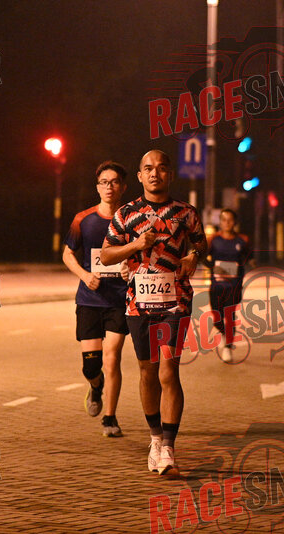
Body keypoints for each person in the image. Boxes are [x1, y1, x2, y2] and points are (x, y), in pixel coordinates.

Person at [101, 149, 206, 476]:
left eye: (161, 168)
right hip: (138, 305)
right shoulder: (126, 214)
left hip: (176, 302)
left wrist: (193, 256)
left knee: (168, 371)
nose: (155, 173)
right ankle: (156, 440)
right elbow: (106, 255)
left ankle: (169, 449)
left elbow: (201, 244)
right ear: (140, 175)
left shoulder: (186, 212)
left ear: (170, 174)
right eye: (148, 168)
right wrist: (135, 245)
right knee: (147, 372)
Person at [61, 161, 129, 437]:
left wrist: (130, 268)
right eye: (104, 182)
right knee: (91, 366)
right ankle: (95, 385)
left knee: (113, 358)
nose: (109, 187)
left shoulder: (131, 219)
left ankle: (110, 418)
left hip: (119, 300)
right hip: (89, 299)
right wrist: (84, 275)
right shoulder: (83, 219)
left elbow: (141, 253)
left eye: (114, 182)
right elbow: (67, 254)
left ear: (123, 187)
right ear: (97, 187)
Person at [205, 208, 253, 362]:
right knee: (217, 318)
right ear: (220, 222)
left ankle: (228, 347)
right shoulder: (213, 239)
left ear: (235, 222)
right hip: (217, 286)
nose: (227, 223)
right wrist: (213, 267)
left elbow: (249, 258)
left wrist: (244, 267)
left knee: (230, 315)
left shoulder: (242, 240)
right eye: (224, 220)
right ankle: (224, 334)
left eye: (230, 220)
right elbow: (203, 256)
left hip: (234, 286)